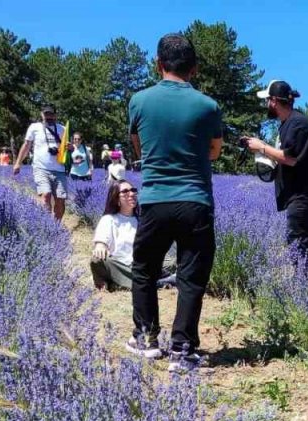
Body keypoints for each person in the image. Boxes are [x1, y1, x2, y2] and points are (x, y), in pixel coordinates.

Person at [127, 32, 223, 372]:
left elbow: (138, 146)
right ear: (194, 69)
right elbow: (214, 151)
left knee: (144, 269)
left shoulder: (139, 101)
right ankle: (182, 349)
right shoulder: (208, 106)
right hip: (195, 200)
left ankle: (146, 337)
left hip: (155, 198)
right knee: (191, 275)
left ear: (158, 64)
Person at [244, 80, 308, 263]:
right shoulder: (288, 123)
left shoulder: (298, 124)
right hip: (302, 193)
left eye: (267, 100)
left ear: (274, 101)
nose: (266, 105)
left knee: (298, 241)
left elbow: (291, 158)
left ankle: (300, 285)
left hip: (307, 194)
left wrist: (262, 147)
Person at [13, 105, 68, 221]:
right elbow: (26, 145)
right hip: (41, 168)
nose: (48, 117)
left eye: (51, 114)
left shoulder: (62, 129)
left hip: (59, 169)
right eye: (46, 114)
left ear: (55, 115)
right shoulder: (35, 127)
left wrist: (70, 148)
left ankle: (56, 225)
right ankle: (47, 224)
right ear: (42, 114)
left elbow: (66, 148)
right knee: (46, 194)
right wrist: (18, 163)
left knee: (60, 199)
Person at [90, 180, 139, 290]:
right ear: (116, 199)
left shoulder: (141, 220)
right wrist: (100, 245)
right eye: (125, 192)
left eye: (133, 190)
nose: (131, 194)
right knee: (97, 260)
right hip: (120, 265)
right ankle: (154, 281)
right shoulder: (109, 219)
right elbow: (101, 240)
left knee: (173, 261)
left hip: (141, 265)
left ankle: (122, 283)